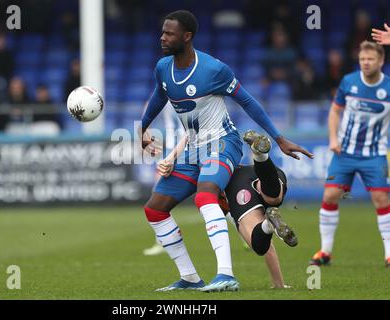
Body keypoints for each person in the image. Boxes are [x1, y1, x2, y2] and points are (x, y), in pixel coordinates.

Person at [140, 10, 313, 292]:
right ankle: (190, 278)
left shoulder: (213, 70)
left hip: (223, 143)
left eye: (169, 33)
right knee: (154, 210)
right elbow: (159, 97)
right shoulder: (162, 68)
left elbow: (248, 101)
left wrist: (279, 138)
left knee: (206, 196)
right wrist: (142, 129)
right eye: (162, 32)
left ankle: (226, 275)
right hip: (193, 149)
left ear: (187, 37)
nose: (162, 37)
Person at [158, 130, 297, 289]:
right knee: (274, 198)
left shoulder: (218, 196)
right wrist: (279, 285)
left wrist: (170, 159)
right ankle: (261, 157)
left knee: (258, 244)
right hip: (270, 173)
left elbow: (266, 249)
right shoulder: (218, 139)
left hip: (238, 183)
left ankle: (267, 224)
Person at [309, 41, 390, 268]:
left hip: (375, 155)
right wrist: (333, 138)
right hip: (344, 152)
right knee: (329, 196)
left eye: (370, 59)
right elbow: (335, 112)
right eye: (363, 59)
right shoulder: (349, 82)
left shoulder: (389, 88)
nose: (365, 63)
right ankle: (325, 252)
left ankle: (389, 254)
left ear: (381, 61)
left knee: (381, 199)